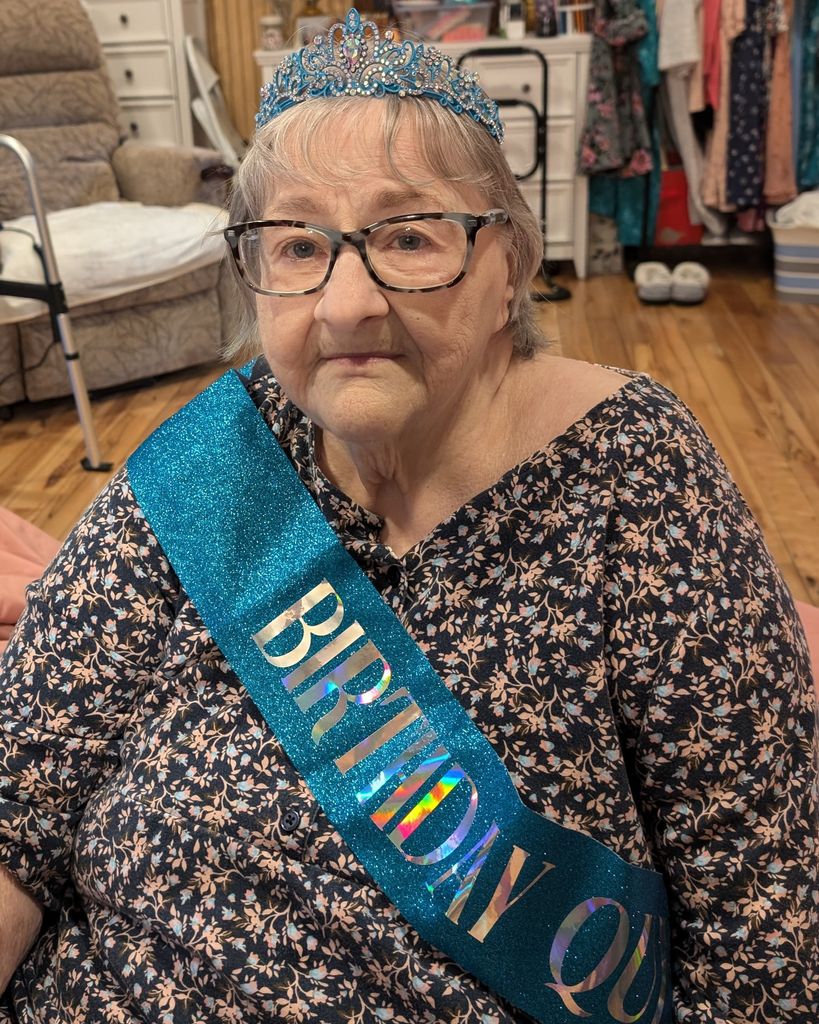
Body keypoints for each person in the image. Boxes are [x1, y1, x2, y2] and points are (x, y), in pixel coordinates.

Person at [0, 9, 816, 1022]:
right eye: (298, 245)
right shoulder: (209, 463)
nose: (345, 303)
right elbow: (17, 797)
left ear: (511, 264)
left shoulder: (636, 475)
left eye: (409, 237)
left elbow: (761, 927)